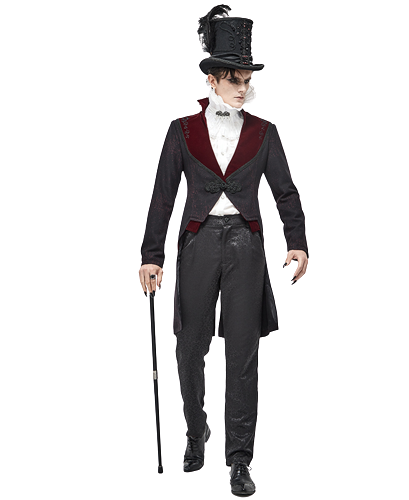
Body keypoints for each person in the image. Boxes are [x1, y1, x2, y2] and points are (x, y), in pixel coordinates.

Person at [139, 5, 309, 496]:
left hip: (246, 245)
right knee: (189, 346)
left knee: (243, 353)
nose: (241, 87)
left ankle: (239, 459)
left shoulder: (264, 132)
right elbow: (162, 196)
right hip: (197, 243)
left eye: (246, 79)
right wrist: (152, 255)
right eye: (233, 79)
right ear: (211, 80)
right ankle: (196, 431)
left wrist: (296, 242)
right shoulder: (182, 130)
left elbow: (285, 192)